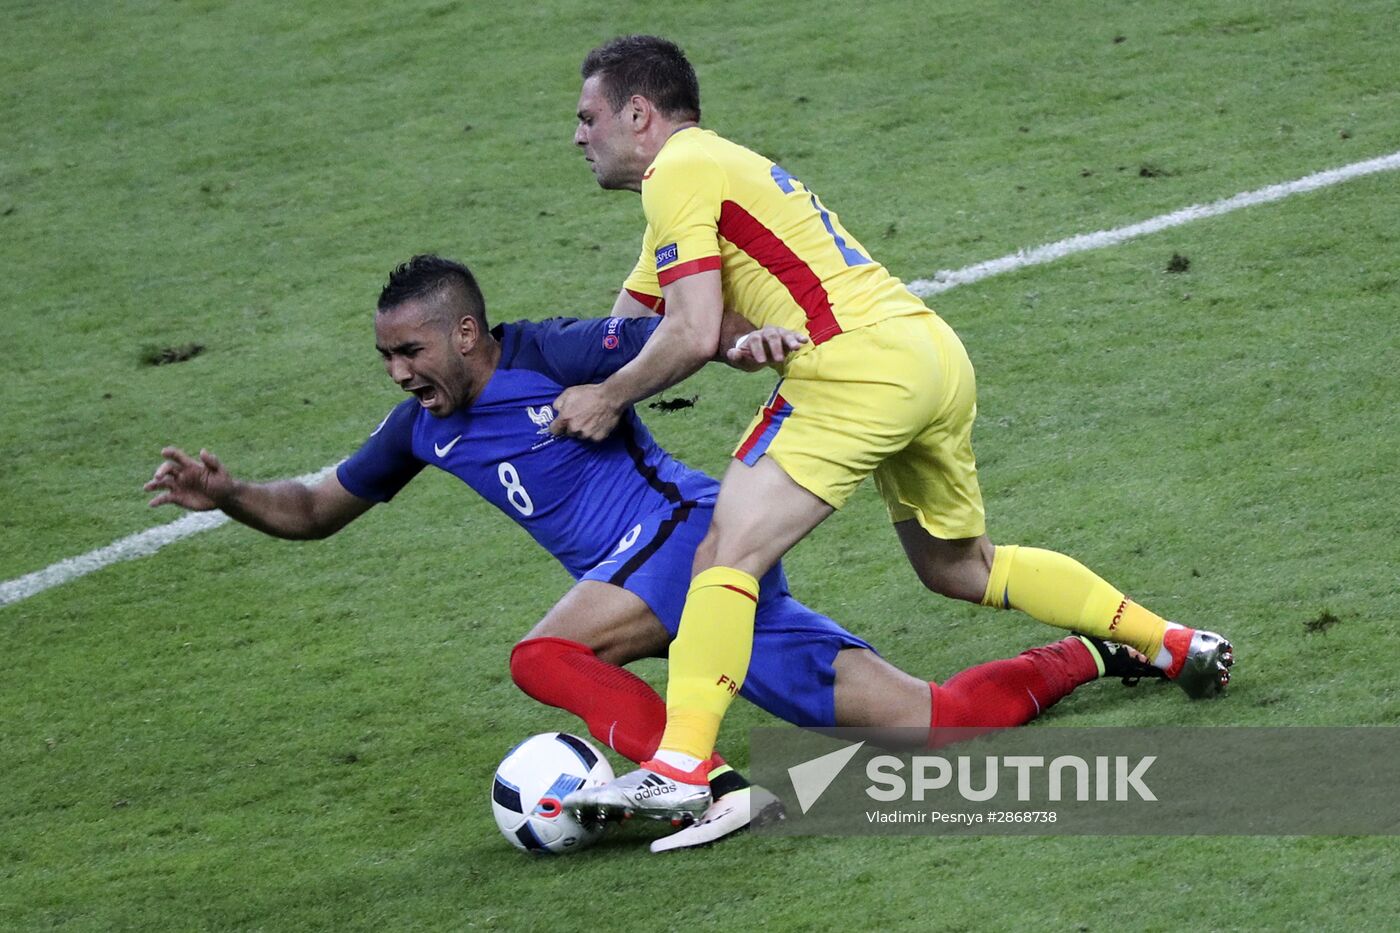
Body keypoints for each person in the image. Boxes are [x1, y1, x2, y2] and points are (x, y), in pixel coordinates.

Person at [146, 254, 1163, 852]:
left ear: (464, 333)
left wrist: (740, 345)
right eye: (386, 358)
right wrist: (227, 494)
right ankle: (1093, 653)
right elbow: (315, 508)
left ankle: (705, 785)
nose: (400, 373)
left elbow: (677, 332)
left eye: (411, 351)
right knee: (933, 724)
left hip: (690, 541)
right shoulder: (419, 431)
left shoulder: (545, 351)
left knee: (542, 655)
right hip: (694, 594)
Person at [555, 35, 1233, 824]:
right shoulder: (701, 176)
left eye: (588, 117)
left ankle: (678, 764)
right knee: (961, 567)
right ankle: (1172, 641)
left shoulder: (678, 172)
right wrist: (717, 346)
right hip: (930, 355)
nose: (578, 136)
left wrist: (607, 398)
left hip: (854, 366)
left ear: (639, 114)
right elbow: (639, 329)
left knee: (723, 550)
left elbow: (685, 334)